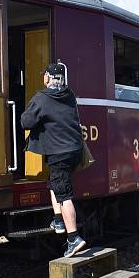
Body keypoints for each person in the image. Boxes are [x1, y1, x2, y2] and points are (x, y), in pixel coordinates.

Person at [20, 63, 87, 257]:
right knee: (54, 184)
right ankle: (58, 221)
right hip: (75, 150)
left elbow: (27, 121)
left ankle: (74, 238)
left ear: (48, 78)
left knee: (64, 195)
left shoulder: (41, 98)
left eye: (45, 76)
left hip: (58, 153)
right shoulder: (70, 95)